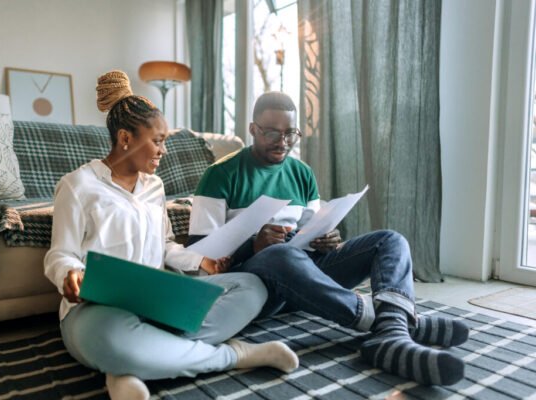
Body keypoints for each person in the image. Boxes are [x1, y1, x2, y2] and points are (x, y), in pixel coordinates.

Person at [44, 74, 299, 400]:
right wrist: (69, 274)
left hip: (158, 302)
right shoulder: (78, 185)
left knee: (251, 287)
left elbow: (164, 245)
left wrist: (201, 261)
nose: (163, 151)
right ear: (125, 138)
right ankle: (234, 356)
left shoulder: (154, 187)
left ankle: (128, 365)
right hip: (98, 309)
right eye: (158, 141)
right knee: (106, 337)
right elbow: (59, 253)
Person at [188, 92, 469, 386]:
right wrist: (253, 246)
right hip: (260, 286)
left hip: (307, 277)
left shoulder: (301, 172)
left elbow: (313, 229)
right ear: (253, 129)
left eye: (290, 133)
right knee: (280, 255)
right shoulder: (220, 175)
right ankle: (390, 321)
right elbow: (199, 260)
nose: (282, 142)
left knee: (390, 240)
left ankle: (392, 334)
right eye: (272, 132)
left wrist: (329, 238)